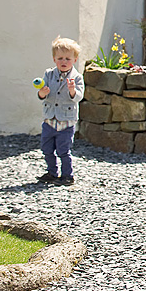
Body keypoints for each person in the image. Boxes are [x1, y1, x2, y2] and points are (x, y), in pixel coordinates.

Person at [36, 36, 85, 186]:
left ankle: (67, 175)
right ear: (54, 59)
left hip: (66, 121)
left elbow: (79, 97)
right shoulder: (49, 74)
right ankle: (52, 172)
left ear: (75, 60)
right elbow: (42, 95)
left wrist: (72, 91)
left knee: (63, 150)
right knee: (47, 149)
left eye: (68, 59)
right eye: (60, 58)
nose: (64, 62)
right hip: (49, 120)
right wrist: (42, 93)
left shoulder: (77, 78)